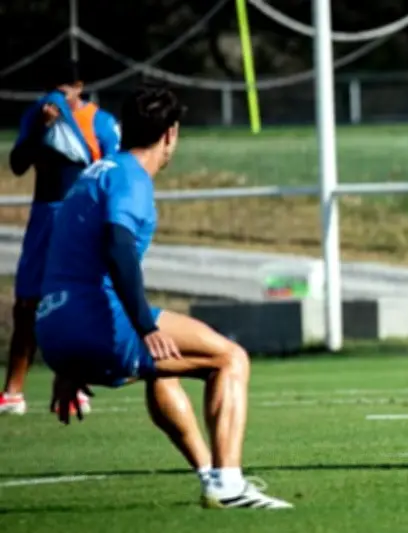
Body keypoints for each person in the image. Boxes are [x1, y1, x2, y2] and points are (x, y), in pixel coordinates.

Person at [35, 83, 293, 509]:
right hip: (96, 320)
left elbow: (66, 254)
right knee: (230, 359)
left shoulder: (94, 173)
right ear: (171, 133)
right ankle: (228, 484)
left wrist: (66, 362)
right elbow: (117, 245)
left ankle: (209, 472)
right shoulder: (132, 178)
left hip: (55, 326)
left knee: (164, 367)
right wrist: (145, 324)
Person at [1, 60, 120, 416]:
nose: (57, 95)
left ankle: (77, 382)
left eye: (64, 88)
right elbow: (18, 163)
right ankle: (13, 392)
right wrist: (40, 129)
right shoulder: (36, 116)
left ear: (79, 86)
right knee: (27, 304)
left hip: (82, 217)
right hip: (44, 215)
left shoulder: (101, 122)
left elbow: (114, 171)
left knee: (77, 298)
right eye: (52, 87)